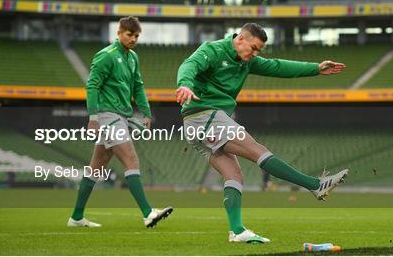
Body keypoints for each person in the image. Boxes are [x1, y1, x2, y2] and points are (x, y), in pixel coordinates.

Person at [176, 23, 348, 243]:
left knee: (234, 175)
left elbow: (278, 67)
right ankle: (315, 185)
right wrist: (184, 84)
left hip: (201, 123)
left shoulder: (246, 62)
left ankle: (237, 231)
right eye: (254, 48)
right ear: (240, 40)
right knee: (258, 150)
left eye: (259, 51)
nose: (255, 55)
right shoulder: (213, 50)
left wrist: (315, 68)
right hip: (204, 116)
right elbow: (189, 65)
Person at [68, 16, 172, 228]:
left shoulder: (133, 57)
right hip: (108, 116)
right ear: (119, 33)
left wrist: (146, 112)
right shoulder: (105, 56)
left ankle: (76, 217)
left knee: (95, 168)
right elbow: (92, 86)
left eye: (136, 36)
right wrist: (94, 117)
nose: (133, 39)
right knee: (131, 160)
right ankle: (148, 213)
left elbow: (138, 87)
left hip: (122, 116)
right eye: (129, 34)